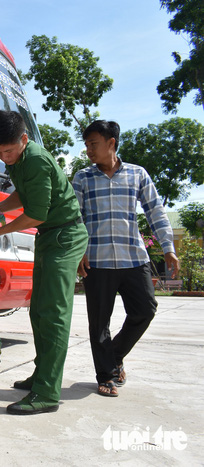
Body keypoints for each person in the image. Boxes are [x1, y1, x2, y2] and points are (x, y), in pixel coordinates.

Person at [0, 110, 88, 415]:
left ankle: (47, 393)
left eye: (9, 151)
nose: (4, 157)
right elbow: (23, 196)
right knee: (38, 310)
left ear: (24, 140)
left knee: (52, 313)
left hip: (65, 236)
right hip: (50, 236)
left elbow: (36, 214)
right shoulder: (18, 161)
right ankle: (41, 374)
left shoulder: (36, 160)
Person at [72, 120, 180, 398]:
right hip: (96, 261)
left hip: (134, 257)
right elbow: (75, 218)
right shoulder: (83, 178)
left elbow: (155, 210)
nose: (88, 151)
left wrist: (168, 247)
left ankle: (114, 355)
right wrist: (79, 251)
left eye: (93, 144)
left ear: (111, 143)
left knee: (145, 309)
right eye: (86, 145)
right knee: (99, 323)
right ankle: (106, 375)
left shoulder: (137, 174)